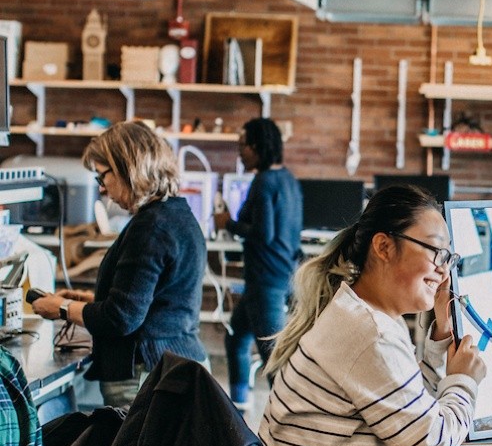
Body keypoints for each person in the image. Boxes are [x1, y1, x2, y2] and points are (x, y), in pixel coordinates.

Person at [259, 184, 485, 446]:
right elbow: (429, 439)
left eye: (448, 258)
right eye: (436, 252)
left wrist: (439, 333)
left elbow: (410, 401)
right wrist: (464, 382)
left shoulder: (368, 313)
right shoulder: (369, 332)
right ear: (384, 246)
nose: (443, 270)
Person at [33, 121, 207, 408]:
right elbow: (156, 299)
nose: (102, 189)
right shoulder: (177, 215)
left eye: (103, 177)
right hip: (175, 364)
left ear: (129, 168)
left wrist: (61, 309)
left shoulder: (150, 227)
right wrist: (93, 300)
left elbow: (121, 318)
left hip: (145, 374)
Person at [213, 117, 302, 408]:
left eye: (243, 145)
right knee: (237, 338)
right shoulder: (287, 178)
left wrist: (228, 223)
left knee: (272, 357)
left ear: (257, 146)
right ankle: (238, 406)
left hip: (266, 282)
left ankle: (290, 421)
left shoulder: (263, 182)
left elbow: (263, 234)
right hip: (281, 276)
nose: (240, 152)